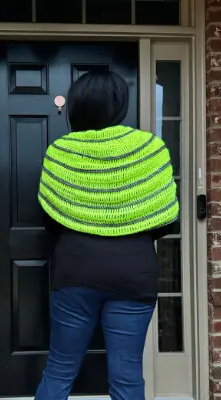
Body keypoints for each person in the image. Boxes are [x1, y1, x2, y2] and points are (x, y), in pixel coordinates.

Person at [35, 71, 179, 400]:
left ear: (77, 105)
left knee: (58, 372)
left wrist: (87, 217)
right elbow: (165, 223)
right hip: (134, 274)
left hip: (75, 272)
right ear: (120, 105)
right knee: (127, 379)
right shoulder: (151, 149)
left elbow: (50, 222)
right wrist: (126, 220)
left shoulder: (60, 152)